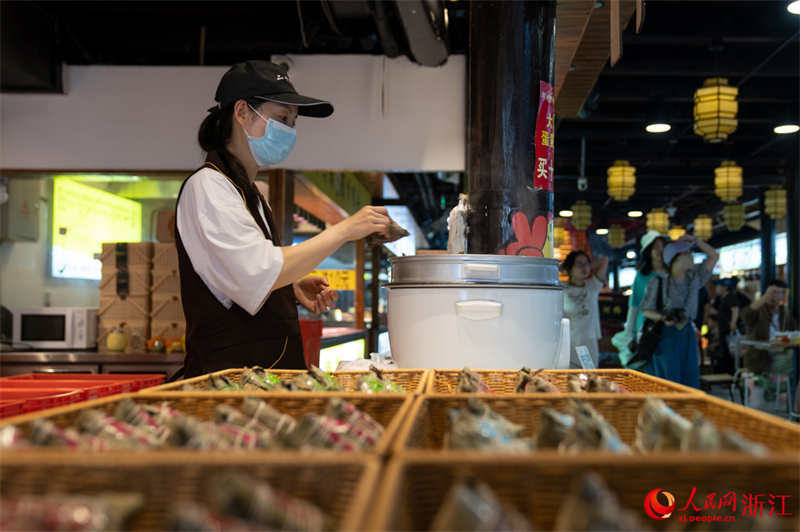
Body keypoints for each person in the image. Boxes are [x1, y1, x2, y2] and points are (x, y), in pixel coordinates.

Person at [174, 60, 391, 379]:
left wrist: (287, 290)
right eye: (281, 118)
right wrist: (345, 230)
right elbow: (257, 269)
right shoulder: (209, 186)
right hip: (229, 386)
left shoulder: (250, 196)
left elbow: (241, 275)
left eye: (293, 122)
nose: (289, 131)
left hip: (260, 380)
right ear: (242, 112)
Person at [639, 236, 719, 388]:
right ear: (674, 259)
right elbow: (646, 310)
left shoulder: (694, 278)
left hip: (687, 331)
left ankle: (687, 412)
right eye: (686, 253)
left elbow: (714, 256)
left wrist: (696, 241)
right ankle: (669, 411)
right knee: (670, 383)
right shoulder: (658, 282)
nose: (691, 256)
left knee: (691, 380)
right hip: (666, 334)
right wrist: (664, 317)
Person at [612, 230, 669, 368]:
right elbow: (634, 305)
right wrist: (629, 333)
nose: (659, 250)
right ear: (648, 251)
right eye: (655, 246)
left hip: (668, 324)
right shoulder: (641, 276)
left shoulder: (672, 273)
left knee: (667, 363)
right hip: (646, 327)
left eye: (662, 246)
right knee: (650, 362)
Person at [562, 250, 609, 368]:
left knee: (591, 379)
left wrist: (585, 266)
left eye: (586, 263)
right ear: (570, 268)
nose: (584, 267)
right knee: (570, 380)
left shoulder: (592, 285)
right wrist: (563, 267)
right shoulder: (562, 289)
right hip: (569, 343)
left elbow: (604, 260)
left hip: (589, 341)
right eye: (578, 264)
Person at [740, 280, 798, 375]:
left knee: (795, 359)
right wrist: (765, 297)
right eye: (771, 293)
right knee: (795, 362)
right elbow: (745, 315)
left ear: (783, 296)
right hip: (761, 359)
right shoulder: (759, 310)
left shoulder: (784, 312)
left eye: (777, 293)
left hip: (781, 354)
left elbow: (796, 330)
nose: (773, 296)